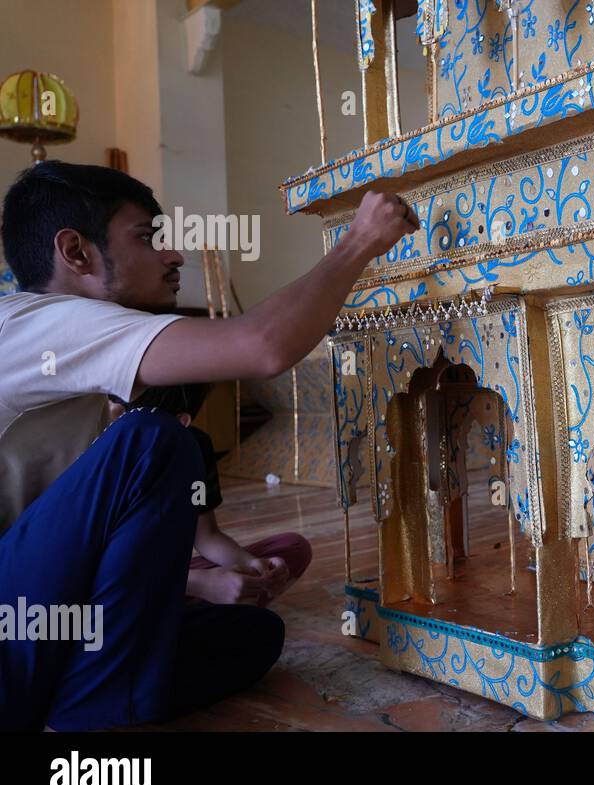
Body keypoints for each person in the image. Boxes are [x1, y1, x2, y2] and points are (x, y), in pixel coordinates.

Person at [0, 160, 417, 731]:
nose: (173, 256)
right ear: (75, 252)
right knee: (152, 444)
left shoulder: (75, 364)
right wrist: (359, 241)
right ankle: (84, 729)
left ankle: (75, 701)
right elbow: (263, 346)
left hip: (31, 622)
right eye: (148, 239)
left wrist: (199, 580)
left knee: (250, 636)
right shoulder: (43, 321)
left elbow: (89, 551)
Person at [122, 383, 312, 607]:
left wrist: (254, 565)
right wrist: (198, 584)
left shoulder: (194, 450)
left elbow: (206, 536)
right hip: (124, 585)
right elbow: (103, 568)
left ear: (182, 422)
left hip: (170, 577)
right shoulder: (112, 452)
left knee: (293, 548)